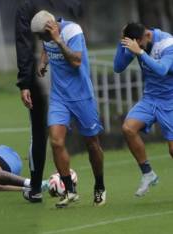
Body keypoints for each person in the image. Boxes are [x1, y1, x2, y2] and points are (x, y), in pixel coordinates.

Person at [31, 11, 106, 208]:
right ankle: (69, 191)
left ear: (51, 28)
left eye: (42, 35)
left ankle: (99, 185)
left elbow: (76, 61)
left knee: (92, 143)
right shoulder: (47, 37)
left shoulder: (72, 31)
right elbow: (46, 48)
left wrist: (58, 40)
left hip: (82, 96)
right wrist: (42, 61)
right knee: (56, 141)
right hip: (59, 97)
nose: (41, 39)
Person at [15, 0, 82, 203]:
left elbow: (24, 47)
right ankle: (91, 185)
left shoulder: (26, 7)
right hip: (73, 77)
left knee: (39, 132)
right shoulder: (73, 5)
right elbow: (81, 45)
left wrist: (24, 82)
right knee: (80, 132)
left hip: (40, 78)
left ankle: (35, 189)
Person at [114, 22, 173, 196]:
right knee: (128, 128)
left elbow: (162, 70)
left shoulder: (167, 43)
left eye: (140, 45)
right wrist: (121, 42)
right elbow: (118, 67)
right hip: (150, 99)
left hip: (170, 101)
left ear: (146, 35)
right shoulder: (137, 42)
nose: (139, 48)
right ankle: (148, 173)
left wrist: (139, 52)